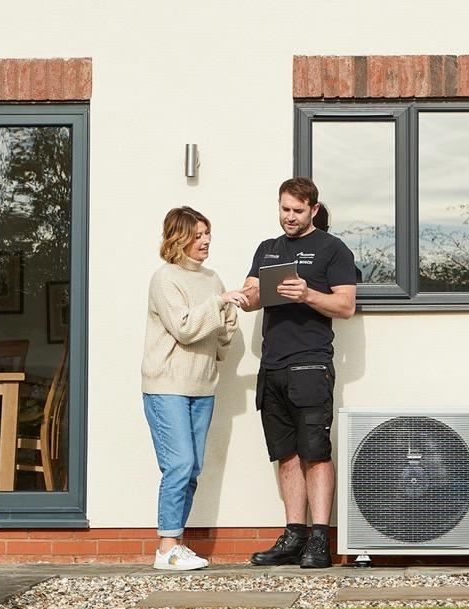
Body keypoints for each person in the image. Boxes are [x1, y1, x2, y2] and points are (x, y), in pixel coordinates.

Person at [234, 177, 357, 568]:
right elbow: (250, 297)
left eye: (298, 211)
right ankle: (294, 536)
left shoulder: (333, 249)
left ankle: (319, 541)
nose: (290, 217)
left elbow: (346, 306)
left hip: (311, 365)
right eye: (284, 209)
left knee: (315, 453)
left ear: (313, 210)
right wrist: (249, 296)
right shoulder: (268, 249)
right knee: (285, 455)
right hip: (272, 367)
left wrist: (307, 294)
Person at [141, 205, 242, 571]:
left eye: (207, 233)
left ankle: (176, 544)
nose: (206, 240)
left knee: (192, 468)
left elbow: (220, 335)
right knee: (179, 464)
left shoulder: (213, 279)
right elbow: (184, 328)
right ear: (179, 239)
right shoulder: (165, 279)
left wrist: (227, 317)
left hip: (202, 387)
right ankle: (166, 547)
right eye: (197, 235)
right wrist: (219, 303)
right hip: (166, 385)